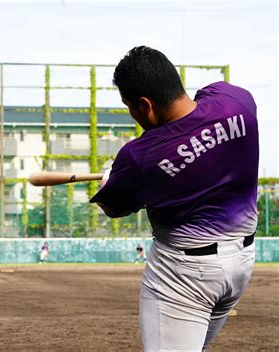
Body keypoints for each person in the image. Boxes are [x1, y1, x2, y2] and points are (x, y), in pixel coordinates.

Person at [90, 46, 258, 351]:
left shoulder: (141, 156)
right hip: (242, 262)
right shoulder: (236, 101)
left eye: (131, 107)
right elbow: (202, 113)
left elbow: (112, 207)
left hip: (185, 277)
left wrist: (111, 180)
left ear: (145, 105)